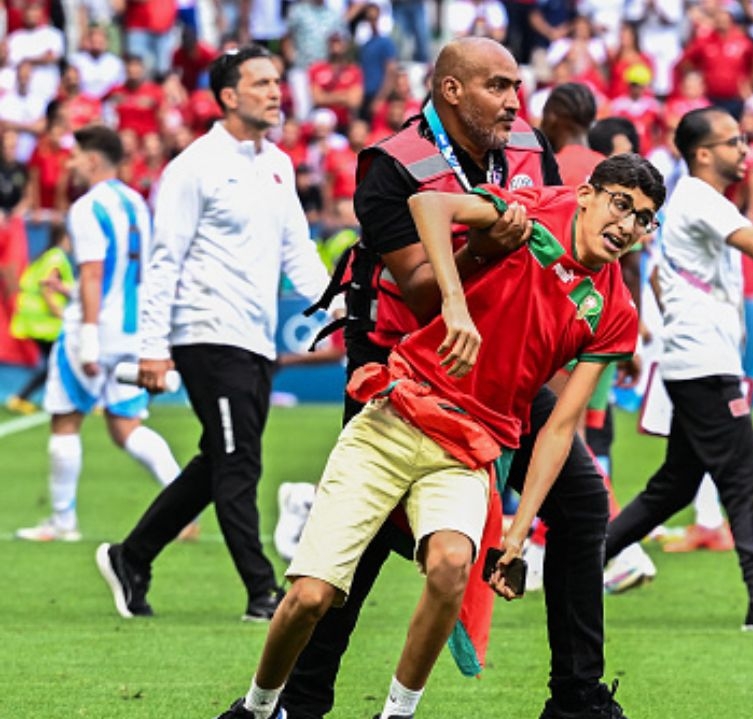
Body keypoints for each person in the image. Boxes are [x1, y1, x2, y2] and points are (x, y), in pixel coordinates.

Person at [217, 153, 664, 719]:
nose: (627, 225)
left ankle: (397, 713)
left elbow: (558, 427)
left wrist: (519, 531)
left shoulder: (615, 310)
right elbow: (427, 203)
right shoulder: (527, 214)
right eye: (621, 204)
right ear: (586, 195)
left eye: (643, 218)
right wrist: (453, 303)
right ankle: (260, 709)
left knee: (454, 565)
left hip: (470, 450)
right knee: (310, 596)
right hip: (400, 413)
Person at [277, 38, 632, 719]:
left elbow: (557, 244)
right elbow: (416, 291)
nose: (515, 101)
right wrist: (480, 251)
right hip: (401, 359)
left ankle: (577, 698)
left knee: (583, 501)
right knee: (376, 530)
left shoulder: (528, 145)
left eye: (517, 85)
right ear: (451, 92)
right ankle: (303, 696)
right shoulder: (391, 165)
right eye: (498, 86)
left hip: (499, 370)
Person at [93, 45, 332, 622]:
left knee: (220, 459)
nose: (276, 92)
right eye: (261, 83)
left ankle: (132, 556)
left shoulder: (277, 164)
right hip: (205, 333)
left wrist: (340, 309)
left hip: (254, 338)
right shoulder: (193, 167)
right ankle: (262, 592)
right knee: (240, 462)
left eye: (277, 81)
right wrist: (153, 346)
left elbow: (298, 253)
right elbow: (164, 259)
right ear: (228, 96)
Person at [603, 106, 753, 632]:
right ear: (703, 153)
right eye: (733, 141)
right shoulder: (700, 198)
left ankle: (582, 560)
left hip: (695, 359)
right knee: (743, 479)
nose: (744, 149)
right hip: (704, 362)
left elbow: (658, 279)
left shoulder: (694, 200)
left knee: (675, 487)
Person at [13, 127, 183, 543]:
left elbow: (92, 274)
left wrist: (88, 334)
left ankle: (62, 523)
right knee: (126, 425)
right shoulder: (138, 205)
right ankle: (182, 504)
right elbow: (129, 274)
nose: (68, 164)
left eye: (73, 157)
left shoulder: (88, 207)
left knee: (65, 421)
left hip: (90, 330)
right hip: (131, 330)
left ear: (91, 160)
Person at [6, 224, 72, 415]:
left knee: (55, 363)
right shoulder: (57, 258)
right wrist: (62, 315)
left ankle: (26, 397)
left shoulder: (45, 255)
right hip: (45, 323)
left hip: (34, 320)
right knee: (57, 363)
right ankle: (21, 397)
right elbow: (48, 290)